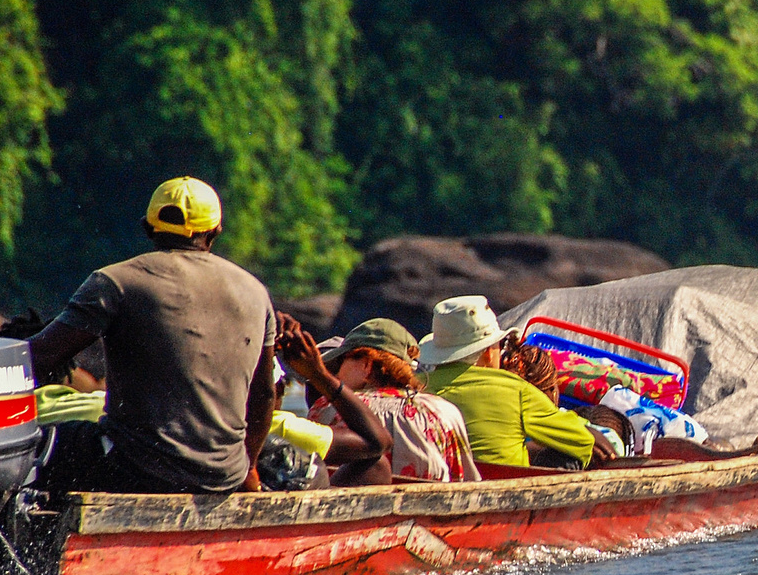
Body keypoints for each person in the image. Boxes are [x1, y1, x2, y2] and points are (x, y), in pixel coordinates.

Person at [24, 176, 281, 494]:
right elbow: (264, 394)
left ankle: (19, 542)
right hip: (223, 475)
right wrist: (249, 467)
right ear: (215, 232)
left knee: (35, 447)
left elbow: (40, 357)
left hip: (136, 468)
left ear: (148, 228)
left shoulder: (116, 281)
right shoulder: (256, 292)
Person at [420, 296, 613, 470]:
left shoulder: (414, 385)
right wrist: (591, 433)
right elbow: (582, 441)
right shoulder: (516, 390)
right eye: (500, 345)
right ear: (488, 352)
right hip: (499, 492)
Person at [280, 315, 478, 484]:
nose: (337, 374)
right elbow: (464, 479)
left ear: (366, 364)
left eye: (340, 362)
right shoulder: (443, 410)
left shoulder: (328, 407)